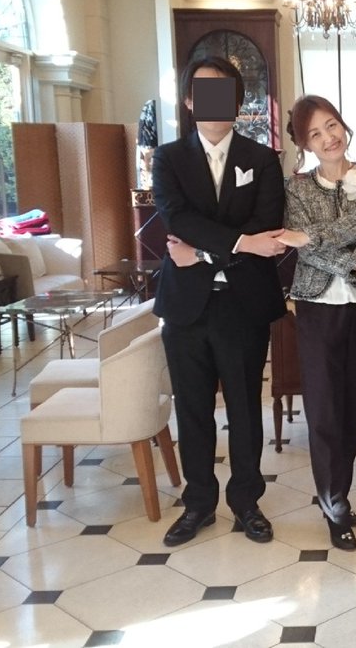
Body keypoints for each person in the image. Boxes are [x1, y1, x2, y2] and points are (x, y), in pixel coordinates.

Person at [153, 55, 288, 547]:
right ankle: (199, 504)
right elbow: (177, 219)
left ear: (237, 102)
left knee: (245, 407)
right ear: (190, 101)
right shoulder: (168, 158)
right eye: (204, 93)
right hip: (186, 307)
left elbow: (266, 226)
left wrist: (203, 253)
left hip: (242, 304)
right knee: (192, 409)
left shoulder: (263, 158)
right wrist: (239, 244)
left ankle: (246, 502)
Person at [276, 95, 356, 551]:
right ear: (305, 144)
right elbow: (309, 255)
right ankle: (334, 505)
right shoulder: (296, 189)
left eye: (332, 125)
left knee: (350, 409)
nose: (328, 137)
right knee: (324, 410)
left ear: (343, 126)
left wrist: (309, 236)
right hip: (316, 308)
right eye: (315, 133)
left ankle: (338, 494)